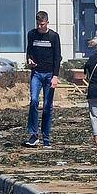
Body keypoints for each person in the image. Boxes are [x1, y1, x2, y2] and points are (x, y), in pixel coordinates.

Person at [24, 11, 61, 148]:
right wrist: (29, 60)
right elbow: (29, 51)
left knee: (47, 106)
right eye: (38, 24)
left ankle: (46, 137)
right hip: (36, 73)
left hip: (49, 74)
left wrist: (55, 76)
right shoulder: (32, 34)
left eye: (43, 24)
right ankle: (34, 135)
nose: (40, 27)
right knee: (33, 101)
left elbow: (58, 57)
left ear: (47, 22)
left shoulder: (54, 36)